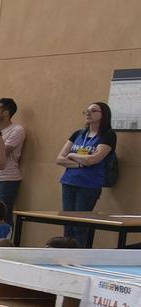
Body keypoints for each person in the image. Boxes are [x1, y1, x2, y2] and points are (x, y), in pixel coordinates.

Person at [56, 101, 117, 245]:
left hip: (89, 185)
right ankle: (66, 256)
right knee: (67, 224)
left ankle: (79, 258)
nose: (88, 113)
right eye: (87, 110)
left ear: (104, 115)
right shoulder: (78, 133)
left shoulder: (108, 135)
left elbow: (94, 159)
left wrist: (72, 156)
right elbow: (59, 159)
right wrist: (80, 163)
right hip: (69, 182)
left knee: (80, 225)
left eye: (94, 110)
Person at [0, 96, 26, 215]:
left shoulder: (17, 130)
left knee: (3, 214)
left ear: (6, 113)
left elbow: (2, 153)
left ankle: (5, 234)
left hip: (6, 178)